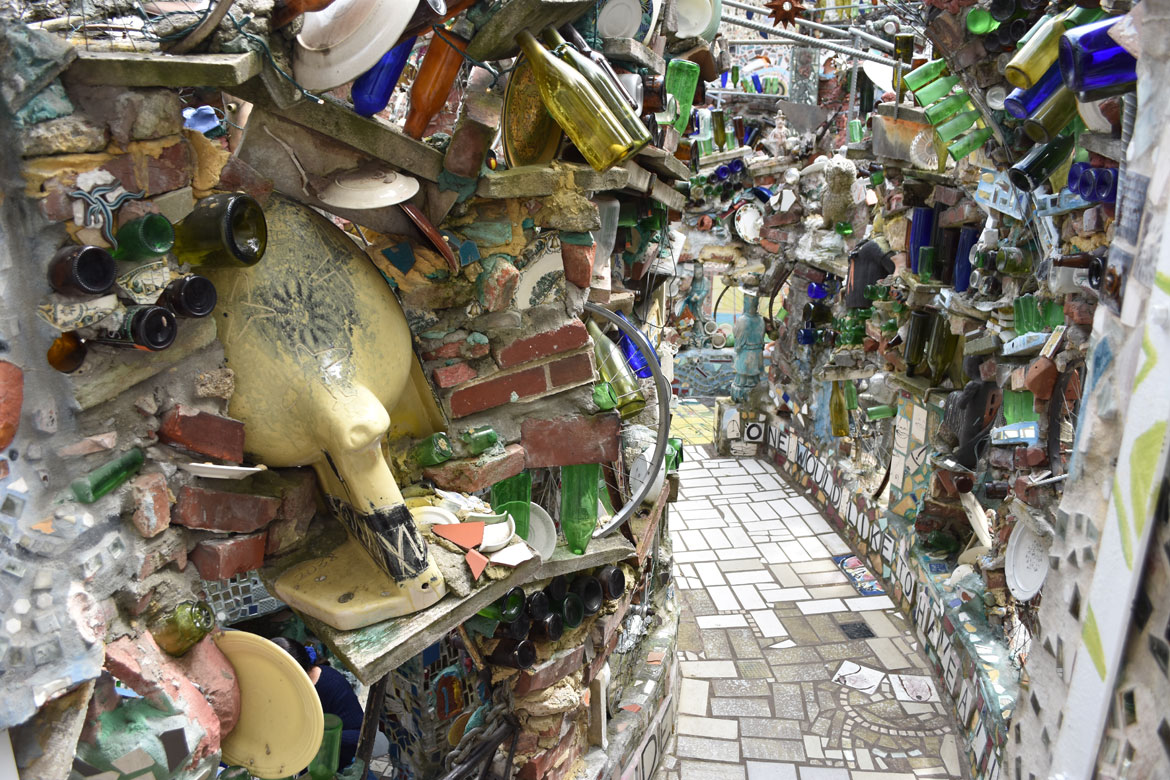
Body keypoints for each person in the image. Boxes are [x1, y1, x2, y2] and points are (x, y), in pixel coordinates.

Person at [271, 637, 366, 770]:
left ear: (299, 675)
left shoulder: (332, 685)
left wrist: (320, 737)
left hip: (333, 763)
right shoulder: (276, 686)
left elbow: (359, 737)